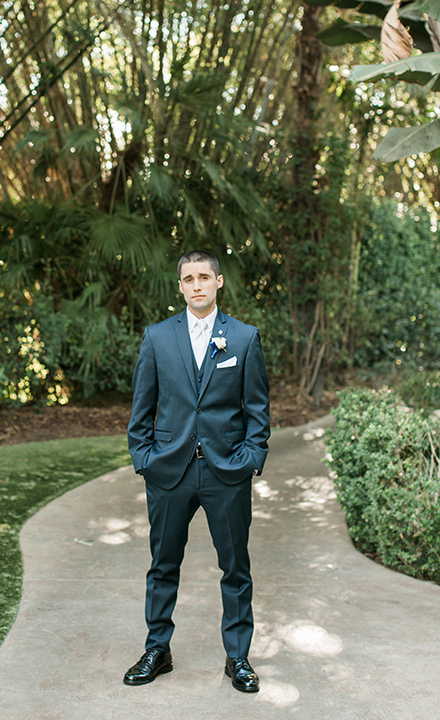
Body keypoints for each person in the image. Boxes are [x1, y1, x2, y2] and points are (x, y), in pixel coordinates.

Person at [124, 249, 270, 693]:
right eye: (188, 279)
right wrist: (145, 460)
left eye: (204, 277)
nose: (197, 286)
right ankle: (157, 649)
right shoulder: (157, 337)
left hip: (227, 473)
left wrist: (250, 459)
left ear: (218, 282)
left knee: (235, 568)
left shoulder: (243, 338)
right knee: (163, 565)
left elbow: (257, 411)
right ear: (180, 286)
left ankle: (238, 658)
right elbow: (141, 408)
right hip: (170, 473)